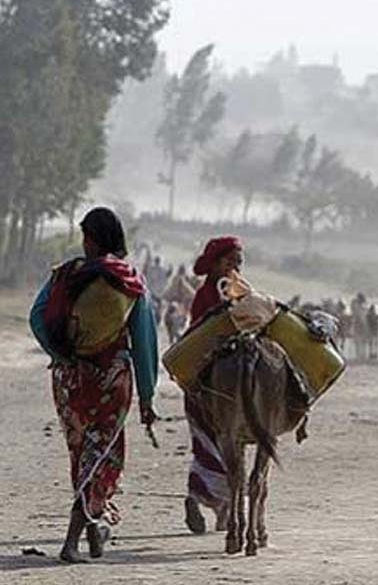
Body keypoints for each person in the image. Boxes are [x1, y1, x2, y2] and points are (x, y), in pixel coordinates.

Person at [29, 207, 158, 563]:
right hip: (111, 381)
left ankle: (93, 529)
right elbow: (144, 342)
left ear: (91, 238)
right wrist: (147, 396)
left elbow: (36, 318)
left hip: (69, 382)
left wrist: (64, 355)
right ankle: (72, 541)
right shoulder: (131, 280)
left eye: (86, 236)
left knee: (80, 454)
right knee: (101, 456)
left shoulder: (66, 274)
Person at [182, 236, 244, 534]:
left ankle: (203, 498)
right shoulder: (207, 295)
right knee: (224, 443)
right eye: (230, 261)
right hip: (211, 378)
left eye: (239, 262)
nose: (235, 266)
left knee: (206, 445)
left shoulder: (237, 290)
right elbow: (200, 333)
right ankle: (219, 503)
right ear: (217, 262)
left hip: (205, 379)